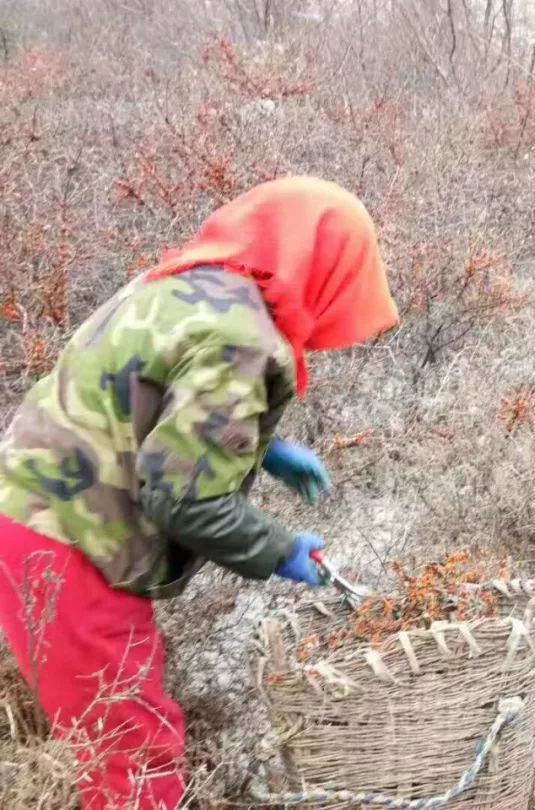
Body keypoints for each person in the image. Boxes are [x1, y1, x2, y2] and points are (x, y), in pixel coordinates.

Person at [0, 177, 399, 809]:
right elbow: (182, 501)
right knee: (132, 754)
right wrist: (280, 549)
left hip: (31, 512)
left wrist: (256, 448)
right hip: (72, 541)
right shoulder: (242, 338)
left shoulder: (187, 281)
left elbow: (146, 389)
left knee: (112, 728)